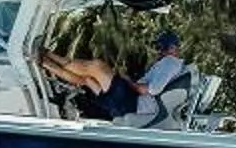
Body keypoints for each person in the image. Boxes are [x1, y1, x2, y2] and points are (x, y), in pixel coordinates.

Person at [42, 25, 195, 125]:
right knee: (88, 80)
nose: (157, 51)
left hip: (131, 101)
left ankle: (46, 53)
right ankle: (45, 62)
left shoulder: (170, 62)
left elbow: (149, 90)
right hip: (124, 107)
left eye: (159, 47)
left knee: (96, 66)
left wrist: (127, 79)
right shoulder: (173, 64)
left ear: (170, 47)